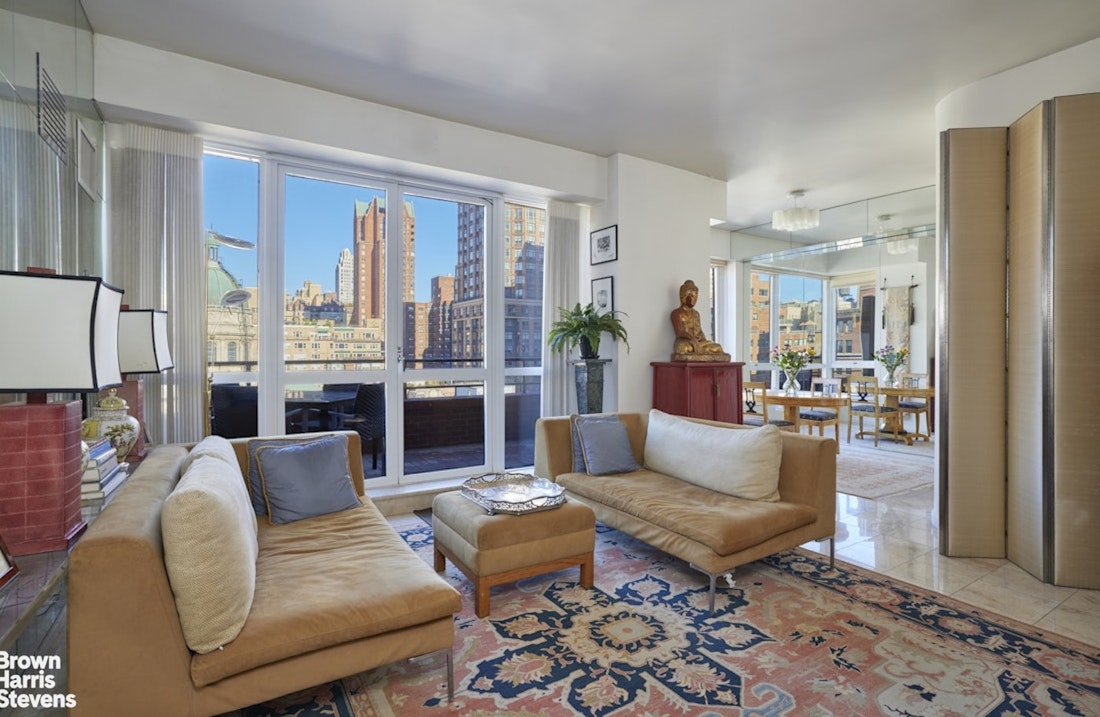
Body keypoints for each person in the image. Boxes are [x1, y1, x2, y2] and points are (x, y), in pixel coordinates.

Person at [670, 279, 730, 361]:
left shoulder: (696, 314)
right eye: (691, 296)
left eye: (695, 297)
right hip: (685, 343)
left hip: (698, 343)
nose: (693, 300)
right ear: (683, 296)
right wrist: (692, 339)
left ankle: (702, 350)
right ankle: (700, 350)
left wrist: (704, 342)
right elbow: (679, 331)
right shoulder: (676, 313)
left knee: (718, 348)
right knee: (685, 348)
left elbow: (699, 332)